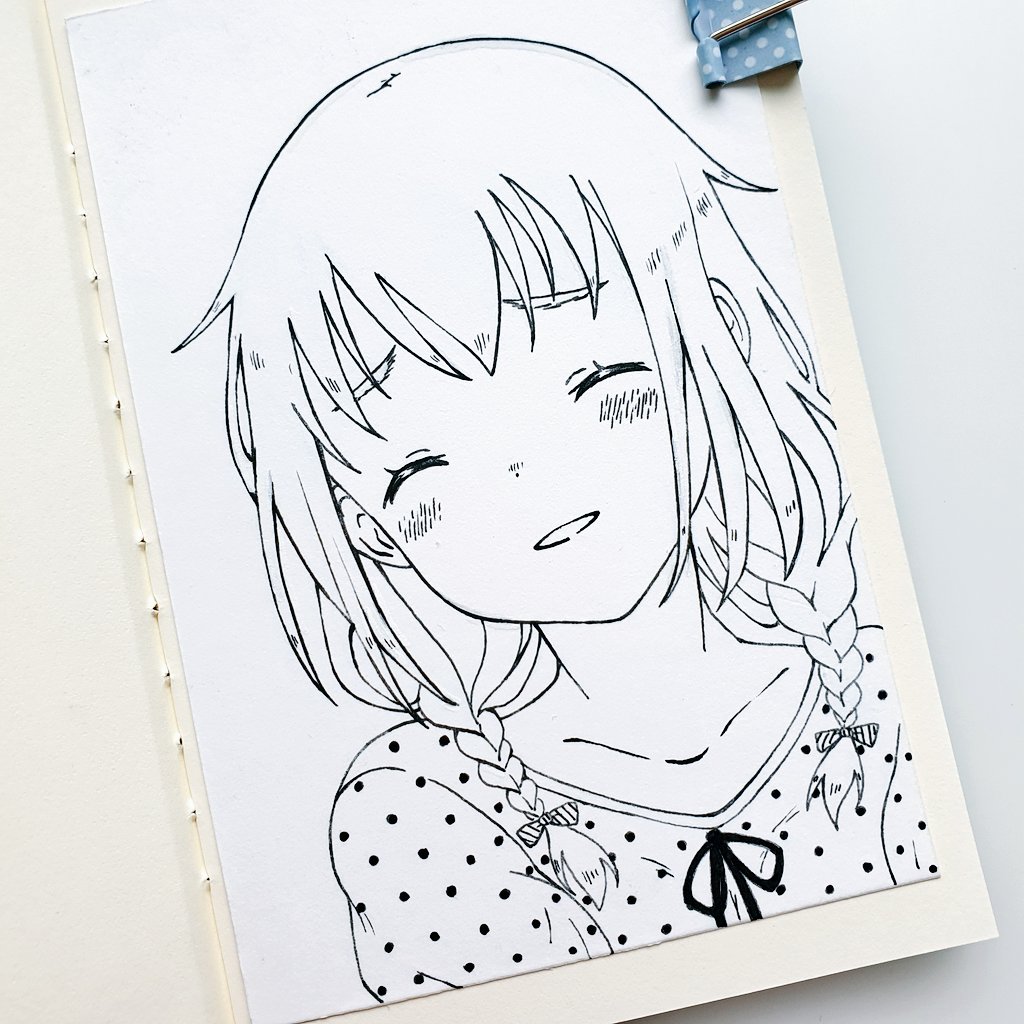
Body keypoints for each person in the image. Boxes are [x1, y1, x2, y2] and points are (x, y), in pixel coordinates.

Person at [183, 39, 935, 1005]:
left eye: (599, 386)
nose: (527, 480)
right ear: (364, 525)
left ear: (709, 347)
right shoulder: (422, 807)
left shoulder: (877, 682)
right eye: (424, 470)